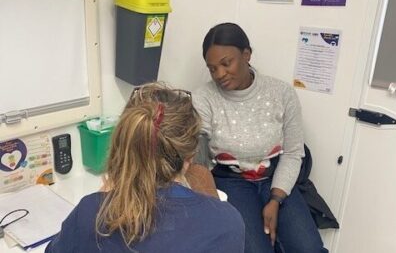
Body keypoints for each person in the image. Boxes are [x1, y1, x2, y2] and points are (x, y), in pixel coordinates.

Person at [45, 82, 245, 253]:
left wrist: (103, 199)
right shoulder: (228, 223)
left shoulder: (91, 215)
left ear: (121, 148)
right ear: (190, 155)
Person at [190, 23, 328, 253]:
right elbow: (199, 159)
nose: (220, 74)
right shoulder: (203, 98)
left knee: (309, 248)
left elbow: (294, 153)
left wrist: (276, 199)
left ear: (246, 54)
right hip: (231, 181)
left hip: (276, 177)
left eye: (226, 63)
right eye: (212, 68)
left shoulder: (281, 93)